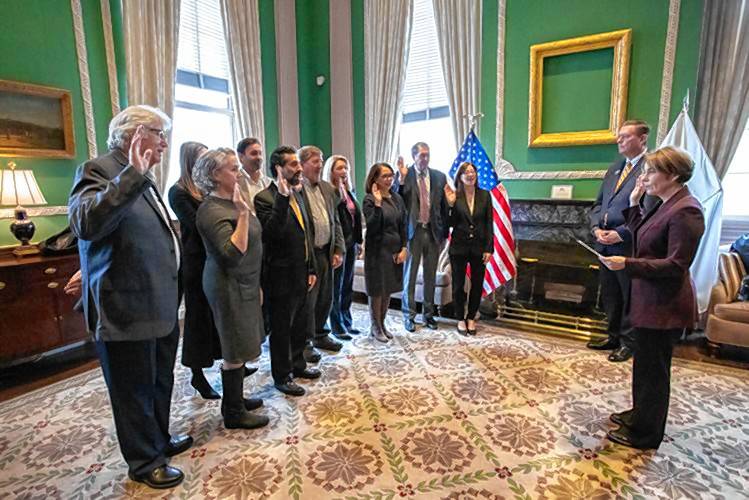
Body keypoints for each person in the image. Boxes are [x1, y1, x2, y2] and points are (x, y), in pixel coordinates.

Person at [68, 105, 189, 489]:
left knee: (159, 380)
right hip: (125, 307)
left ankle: (159, 439)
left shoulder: (143, 175)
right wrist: (131, 175)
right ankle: (144, 460)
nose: (165, 143)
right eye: (159, 133)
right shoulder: (99, 169)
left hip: (159, 301)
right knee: (132, 389)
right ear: (134, 134)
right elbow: (86, 223)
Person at [599, 146, 705, 450]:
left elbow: (676, 265)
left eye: (650, 171)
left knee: (654, 372)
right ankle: (638, 415)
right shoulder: (664, 204)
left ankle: (646, 434)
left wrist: (626, 264)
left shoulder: (687, 210)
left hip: (665, 306)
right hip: (649, 302)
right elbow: (644, 236)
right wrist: (633, 204)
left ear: (671, 175)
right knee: (643, 366)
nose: (644, 177)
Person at [193, 148, 269, 430]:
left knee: (243, 341)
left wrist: (258, 282)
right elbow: (231, 254)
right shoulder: (210, 209)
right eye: (233, 169)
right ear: (215, 175)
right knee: (233, 346)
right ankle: (234, 412)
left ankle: (236, 398)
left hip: (248, 280)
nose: (239, 173)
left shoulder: (235, 199)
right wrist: (242, 214)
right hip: (227, 284)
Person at [255, 146, 321, 396]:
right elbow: (272, 235)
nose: (299, 168)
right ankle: (282, 376)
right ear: (278, 169)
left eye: (298, 163)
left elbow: (307, 234)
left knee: (299, 324)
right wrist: (282, 199)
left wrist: (311, 267)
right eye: (293, 164)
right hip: (279, 276)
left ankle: (298, 364)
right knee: (282, 328)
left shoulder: (300, 194)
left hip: (302, 272)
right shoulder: (265, 198)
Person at [588, 120, 654, 362]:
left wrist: (622, 233)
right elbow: (598, 205)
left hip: (629, 245)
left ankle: (629, 342)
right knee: (610, 293)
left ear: (643, 139)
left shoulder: (651, 168)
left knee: (629, 295)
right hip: (604, 242)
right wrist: (596, 228)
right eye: (619, 136)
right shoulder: (615, 167)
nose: (619, 140)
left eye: (626, 136)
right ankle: (613, 336)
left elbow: (649, 210)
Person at [167, 141, 222, 400]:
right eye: (201, 158)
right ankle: (197, 376)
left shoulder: (208, 190)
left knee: (219, 315)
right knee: (198, 319)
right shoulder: (178, 192)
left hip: (215, 258)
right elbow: (198, 223)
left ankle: (229, 363)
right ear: (190, 160)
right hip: (196, 261)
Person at [397, 142, 449, 332]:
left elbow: (444, 207)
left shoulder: (439, 177)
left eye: (427, 155)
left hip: (433, 232)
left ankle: (428, 315)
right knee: (409, 276)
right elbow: (399, 201)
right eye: (422, 155)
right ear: (414, 157)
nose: (425, 159)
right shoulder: (406, 175)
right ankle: (408, 316)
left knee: (430, 276)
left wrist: (444, 234)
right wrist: (401, 180)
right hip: (413, 232)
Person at [299, 146, 346, 356]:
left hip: (327, 251)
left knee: (326, 296)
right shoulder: (296, 190)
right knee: (309, 301)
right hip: (308, 255)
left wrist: (338, 248)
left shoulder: (328, 189)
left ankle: (321, 334)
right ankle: (305, 342)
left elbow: (335, 221)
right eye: (315, 161)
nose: (319, 165)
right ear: (302, 165)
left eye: (321, 161)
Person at [444, 162, 493, 335]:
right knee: (458, 285)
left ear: (476, 175)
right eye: (466, 172)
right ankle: (459, 319)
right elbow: (448, 224)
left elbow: (489, 223)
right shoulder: (454, 196)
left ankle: (471, 317)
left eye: (472, 172)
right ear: (460, 176)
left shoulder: (485, 195)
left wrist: (489, 248)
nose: (470, 175)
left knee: (477, 284)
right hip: (459, 247)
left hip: (479, 248)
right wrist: (450, 206)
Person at [362, 163, 408, 342]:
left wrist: (404, 247)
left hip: (394, 250)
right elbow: (372, 226)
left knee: (388, 288)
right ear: (375, 179)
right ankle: (375, 326)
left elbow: (403, 225)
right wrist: (378, 203)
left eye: (391, 176)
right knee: (377, 289)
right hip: (377, 251)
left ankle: (382, 323)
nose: (389, 179)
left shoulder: (397, 198)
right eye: (385, 176)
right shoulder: (369, 200)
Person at [324, 155, 363, 338]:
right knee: (336, 287)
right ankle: (337, 326)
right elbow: (334, 219)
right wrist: (339, 190)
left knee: (348, 285)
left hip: (351, 243)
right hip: (338, 245)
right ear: (331, 171)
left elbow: (356, 218)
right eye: (339, 168)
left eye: (346, 168)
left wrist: (359, 241)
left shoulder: (350, 191)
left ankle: (347, 322)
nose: (344, 172)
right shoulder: (330, 192)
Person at [236, 137, 271, 205]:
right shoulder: (235, 182)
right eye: (254, 153)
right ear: (241, 157)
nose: (259, 157)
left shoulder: (269, 183)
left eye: (260, 153)